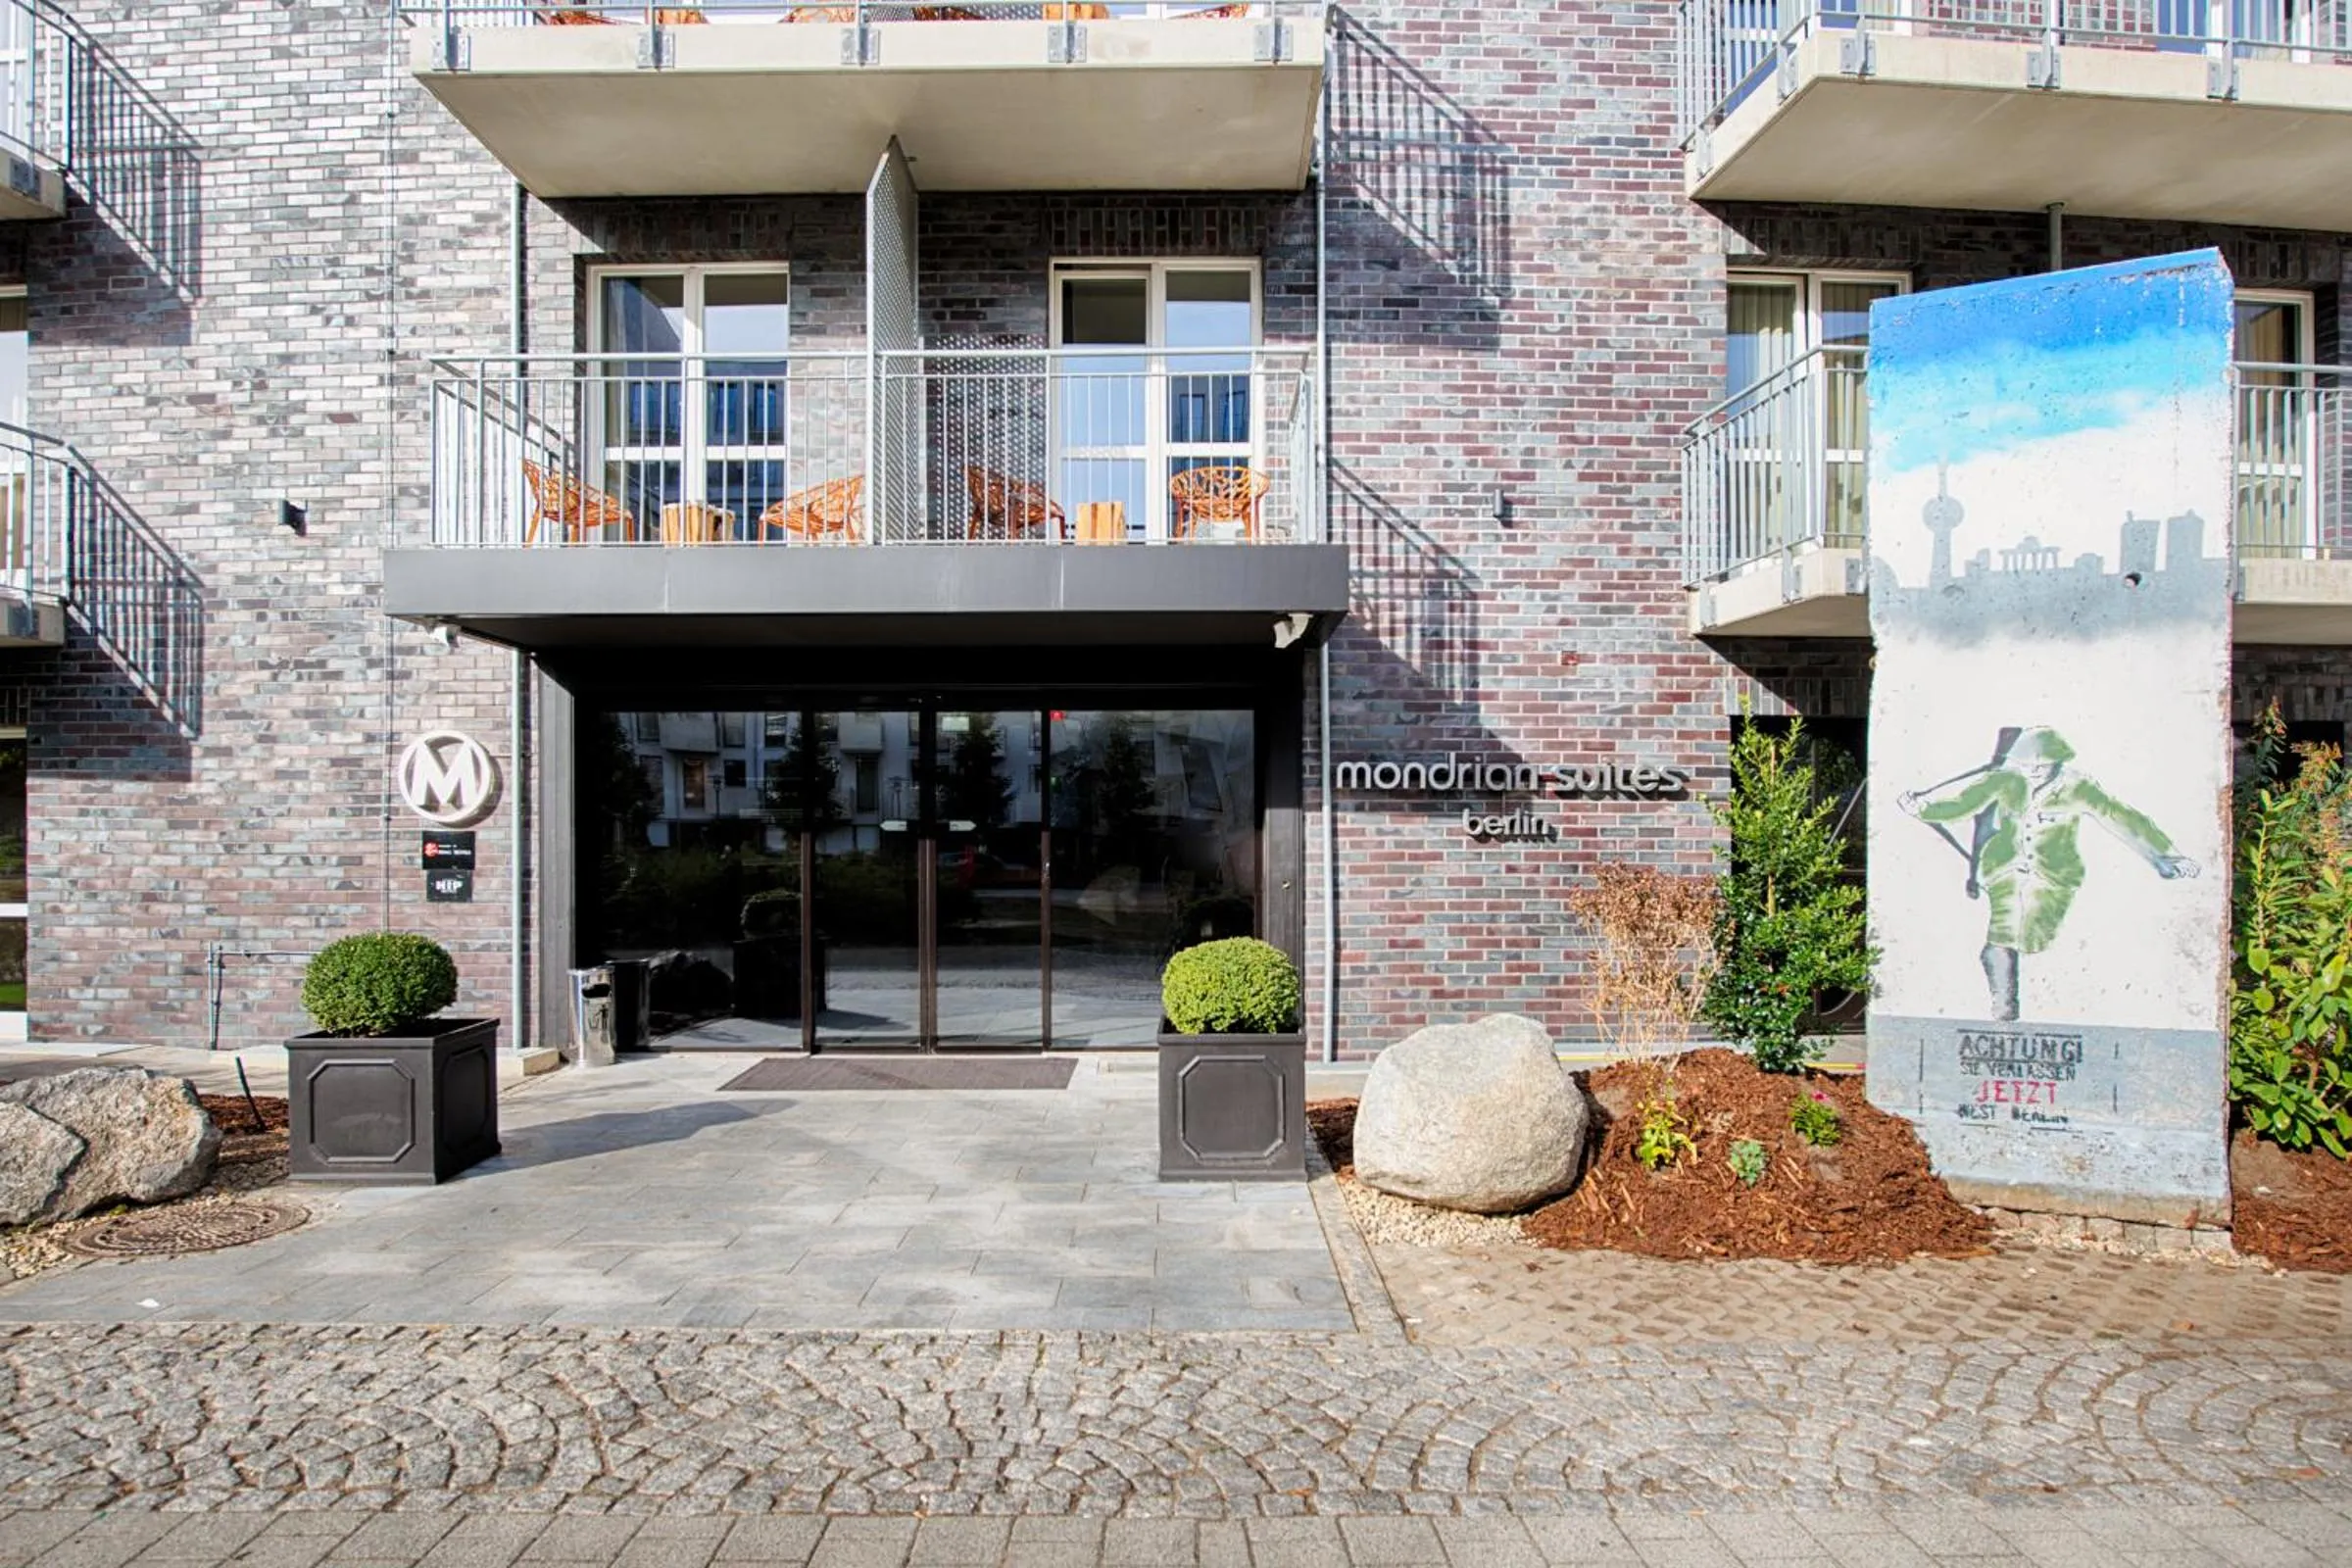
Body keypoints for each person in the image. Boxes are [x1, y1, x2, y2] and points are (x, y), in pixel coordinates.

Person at [1898, 726, 2197, 1021]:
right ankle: (2004, 1004)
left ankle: (2015, 955)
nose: (2033, 773)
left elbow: (2121, 817)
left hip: (2054, 875)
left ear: (2058, 762)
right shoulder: (2004, 779)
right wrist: (1921, 808)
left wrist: (2167, 856)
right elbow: (1961, 805)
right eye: (2028, 767)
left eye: (2042, 767)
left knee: (2034, 940)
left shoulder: (2078, 787)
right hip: (2005, 868)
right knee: (2004, 930)